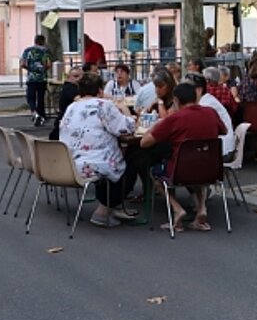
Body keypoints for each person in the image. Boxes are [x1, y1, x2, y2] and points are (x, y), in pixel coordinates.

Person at [141, 81, 226, 232]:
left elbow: (144, 143)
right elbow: (224, 131)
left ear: (176, 100)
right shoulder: (211, 113)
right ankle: (201, 208)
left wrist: (154, 127)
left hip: (180, 170)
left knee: (156, 172)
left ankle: (177, 209)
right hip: (210, 169)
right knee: (197, 168)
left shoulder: (175, 119)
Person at [58, 71, 138, 228]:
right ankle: (103, 211)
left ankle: (110, 207)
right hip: (92, 165)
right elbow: (124, 128)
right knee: (130, 164)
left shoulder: (72, 107)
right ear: (100, 90)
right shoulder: (103, 105)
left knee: (108, 158)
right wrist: (127, 112)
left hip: (69, 164)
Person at [18, 34, 51, 127]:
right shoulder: (45, 51)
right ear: (43, 41)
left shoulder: (28, 50)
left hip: (31, 78)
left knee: (30, 97)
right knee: (41, 98)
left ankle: (34, 112)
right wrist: (42, 70)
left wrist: (30, 69)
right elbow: (48, 64)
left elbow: (23, 64)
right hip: (42, 78)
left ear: (35, 41)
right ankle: (41, 116)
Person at [49, 65, 84, 140]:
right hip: (67, 123)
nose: (79, 79)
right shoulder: (70, 87)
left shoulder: (75, 87)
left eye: (82, 77)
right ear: (69, 77)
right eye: (76, 76)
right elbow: (80, 100)